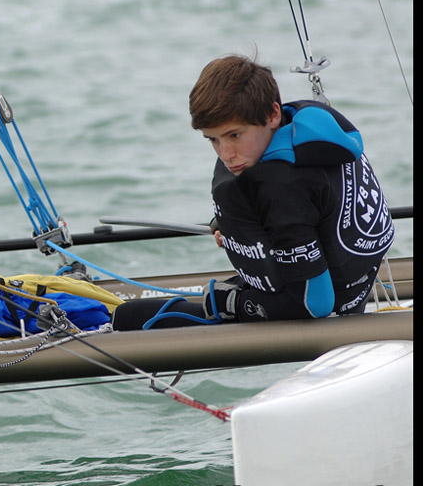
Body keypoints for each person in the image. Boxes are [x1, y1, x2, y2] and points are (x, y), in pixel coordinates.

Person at [113, 53, 393, 331]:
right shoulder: (308, 122)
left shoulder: (282, 188)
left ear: (272, 114)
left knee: (187, 307)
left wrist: (231, 302)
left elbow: (314, 305)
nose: (225, 154)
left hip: (328, 304)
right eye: (213, 139)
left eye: (235, 135)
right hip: (361, 273)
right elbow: (317, 206)